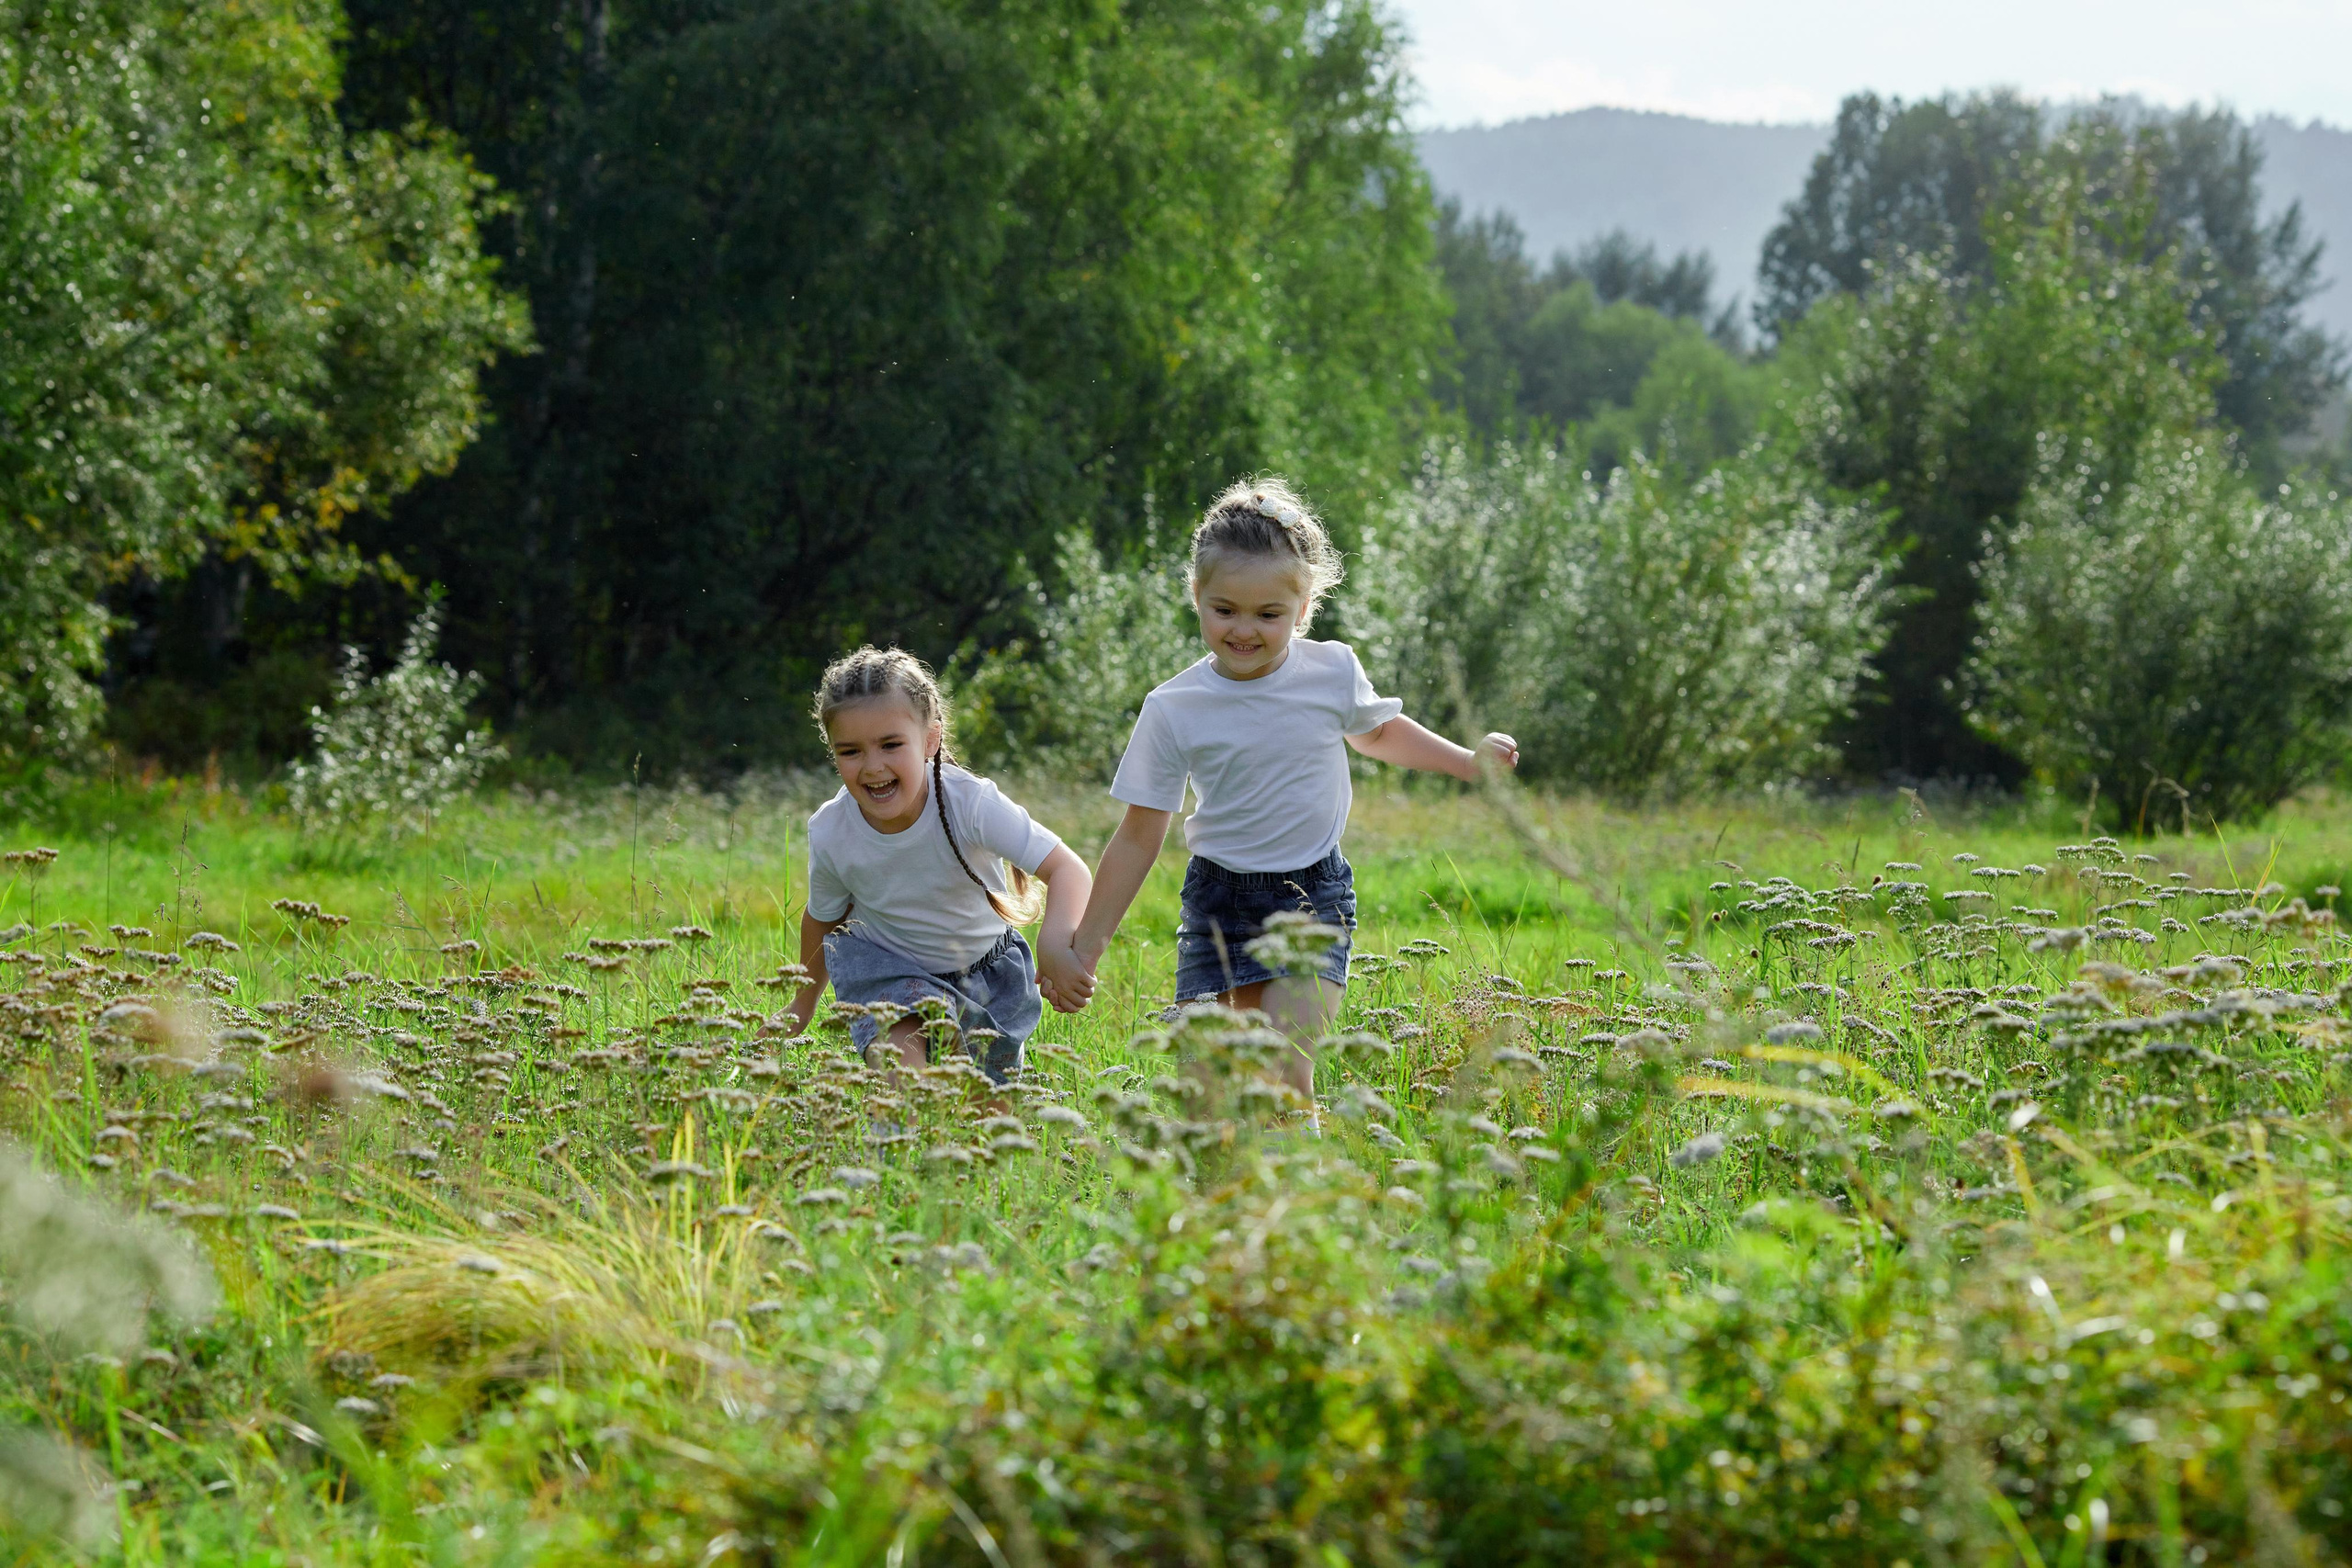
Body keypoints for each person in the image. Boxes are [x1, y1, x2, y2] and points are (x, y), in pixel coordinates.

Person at [1070, 477, 1518, 1111]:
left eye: (1269, 614)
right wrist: (1087, 945)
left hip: (1314, 898)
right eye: (1224, 609)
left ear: (1304, 609)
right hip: (1217, 907)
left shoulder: (1330, 672)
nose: (1244, 629)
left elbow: (1381, 733)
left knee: (1283, 1076)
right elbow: (1140, 833)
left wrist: (1469, 763)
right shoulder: (1173, 707)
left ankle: (1299, 1202)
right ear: (1196, 597)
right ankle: (1221, 1205)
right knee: (1209, 1090)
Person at [785, 647, 1094, 1080]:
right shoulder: (831, 830)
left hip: (987, 977)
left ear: (930, 739)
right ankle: (893, 1144)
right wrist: (802, 1001)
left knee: (983, 1123)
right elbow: (823, 919)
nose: (873, 767)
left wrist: (1056, 942)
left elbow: (1067, 870)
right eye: (850, 751)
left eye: (891, 745)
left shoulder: (971, 804)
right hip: (890, 971)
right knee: (904, 1082)